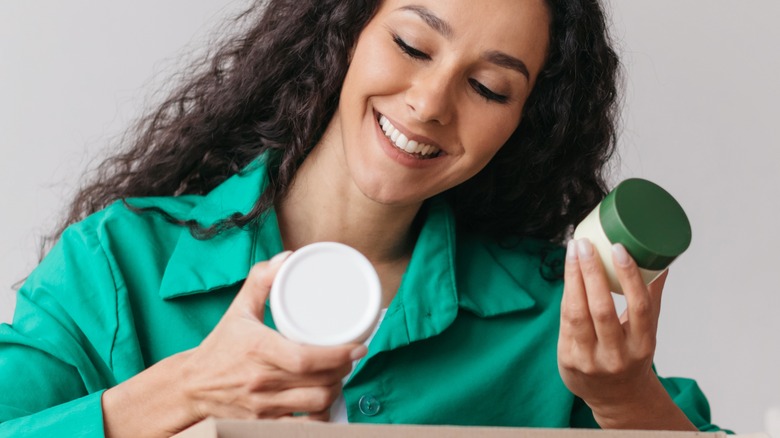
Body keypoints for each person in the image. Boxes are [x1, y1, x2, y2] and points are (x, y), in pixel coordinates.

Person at [0, 0, 728, 436]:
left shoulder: (545, 321)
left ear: (524, 126)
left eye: (487, 87)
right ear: (345, 30)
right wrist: (187, 388)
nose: (430, 103)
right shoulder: (119, 260)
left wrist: (626, 399)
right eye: (411, 46)